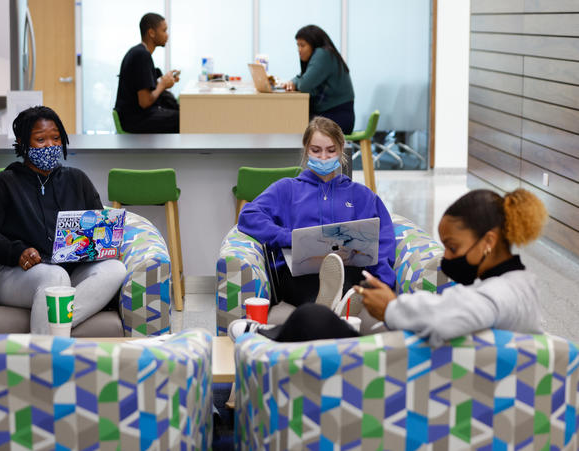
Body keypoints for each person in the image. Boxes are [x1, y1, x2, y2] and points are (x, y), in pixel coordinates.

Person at [230, 188, 547, 346]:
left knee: (313, 318)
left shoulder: (502, 294)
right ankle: (267, 337)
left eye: (453, 247)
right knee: (315, 320)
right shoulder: (517, 284)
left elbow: (452, 318)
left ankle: (260, 340)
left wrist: (393, 308)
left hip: (405, 374)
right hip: (411, 360)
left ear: (488, 242)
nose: (447, 258)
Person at [0, 106, 127, 334]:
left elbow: (97, 228)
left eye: (56, 138)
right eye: (40, 139)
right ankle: (51, 348)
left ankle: (50, 331)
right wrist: (17, 252)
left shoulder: (77, 180)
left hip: (73, 272)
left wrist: (105, 246)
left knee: (115, 269)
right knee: (55, 275)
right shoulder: (4, 183)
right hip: (19, 275)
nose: (50, 145)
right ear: (23, 143)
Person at [237, 116, 396, 312]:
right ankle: (335, 306)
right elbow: (249, 215)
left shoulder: (361, 195)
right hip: (299, 276)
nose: (323, 157)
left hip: (349, 271)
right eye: (316, 150)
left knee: (351, 277)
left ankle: (337, 303)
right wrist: (288, 237)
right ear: (306, 150)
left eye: (331, 150)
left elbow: (384, 237)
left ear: (340, 151)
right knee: (313, 288)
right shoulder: (287, 189)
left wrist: (384, 282)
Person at [281, 25, 355, 136]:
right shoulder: (325, 53)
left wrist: (296, 82)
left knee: (291, 122)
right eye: (298, 45)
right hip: (328, 115)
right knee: (292, 120)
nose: (299, 50)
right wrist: (294, 81)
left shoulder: (322, 54)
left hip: (337, 118)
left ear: (313, 44)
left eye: (302, 45)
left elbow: (305, 85)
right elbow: (302, 77)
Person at [114, 12, 180, 133]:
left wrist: (164, 80)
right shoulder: (142, 55)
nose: (167, 35)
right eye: (164, 31)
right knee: (184, 119)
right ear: (151, 33)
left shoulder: (138, 52)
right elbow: (145, 102)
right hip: (135, 119)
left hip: (136, 116)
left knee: (180, 115)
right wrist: (163, 85)